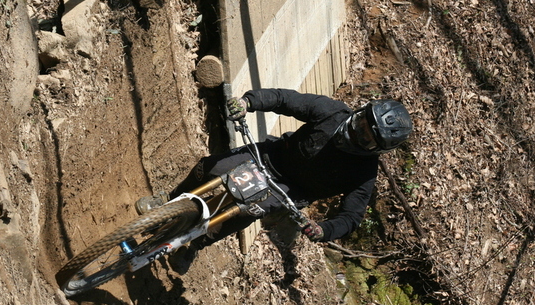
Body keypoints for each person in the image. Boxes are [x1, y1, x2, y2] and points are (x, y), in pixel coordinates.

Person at [137, 88, 413, 243]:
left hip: (289, 192)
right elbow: (286, 100)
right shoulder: (333, 112)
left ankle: (196, 244)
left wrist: (324, 230)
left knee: (242, 212)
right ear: (362, 110)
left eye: (367, 137)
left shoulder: (364, 173)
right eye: (362, 122)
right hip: (271, 157)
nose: (358, 132)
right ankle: (168, 200)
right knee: (209, 168)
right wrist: (248, 102)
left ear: (378, 149)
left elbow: (351, 217)